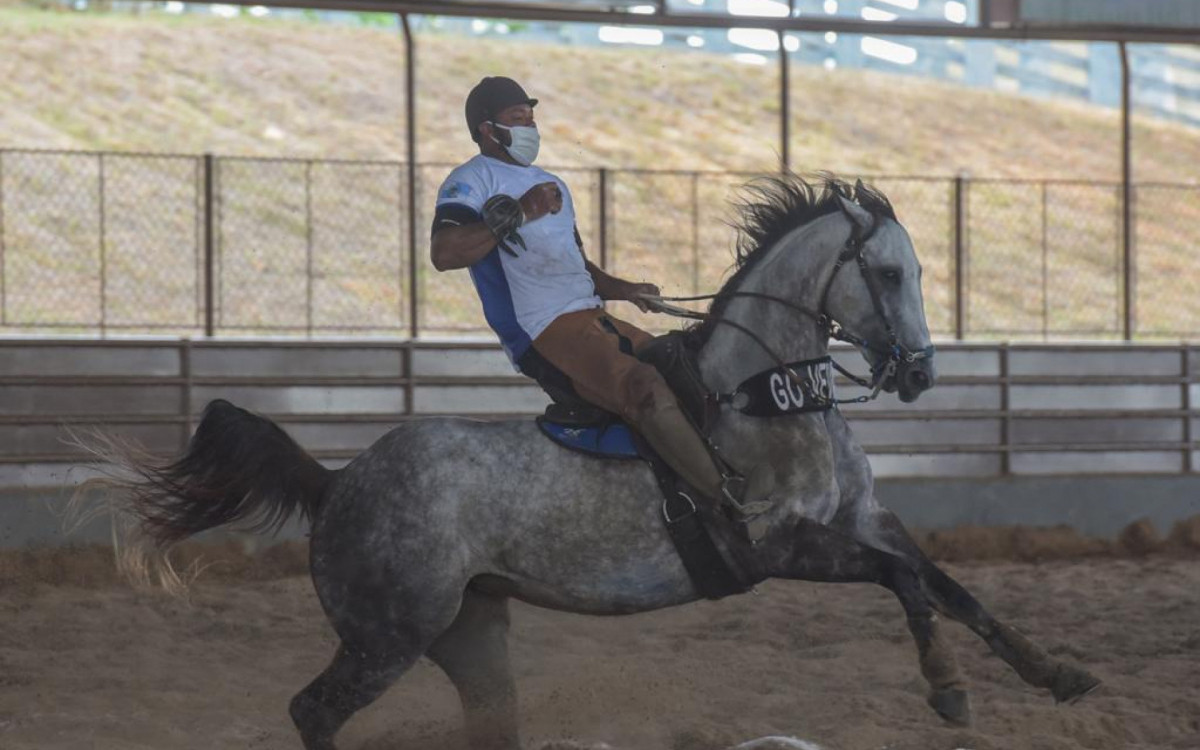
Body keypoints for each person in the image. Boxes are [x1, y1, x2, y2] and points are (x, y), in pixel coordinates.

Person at [430, 76, 760, 511]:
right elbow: (445, 252)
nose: (530, 127)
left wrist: (625, 290)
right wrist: (522, 212)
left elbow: (578, 267)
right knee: (644, 387)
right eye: (518, 119)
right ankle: (728, 504)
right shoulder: (469, 181)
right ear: (488, 130)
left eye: (532, 118)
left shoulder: (552, 185)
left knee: (686, 371)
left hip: (592, 316)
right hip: (540, 330)